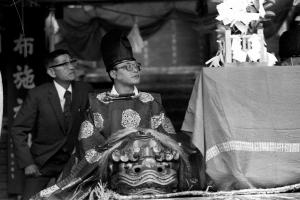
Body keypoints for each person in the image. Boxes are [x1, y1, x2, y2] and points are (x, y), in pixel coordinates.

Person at [30, 30, 202, 199]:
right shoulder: (97, 104)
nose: (135, 70)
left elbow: (169, 142)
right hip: (108, 181)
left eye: (136, 66)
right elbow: (88, 148)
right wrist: (117, 155)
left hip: (152, 177)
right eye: (127, 67)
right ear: (113, 73)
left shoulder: (151, 102)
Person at [11, 49, 93, 200]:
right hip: (43, 163)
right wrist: (28, 163)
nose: (71, 67)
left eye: (71, 62)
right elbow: (18, 130)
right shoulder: (37, 95)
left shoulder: (85, 90)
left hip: (75, 163)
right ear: (51, 72)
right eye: (64, 64)